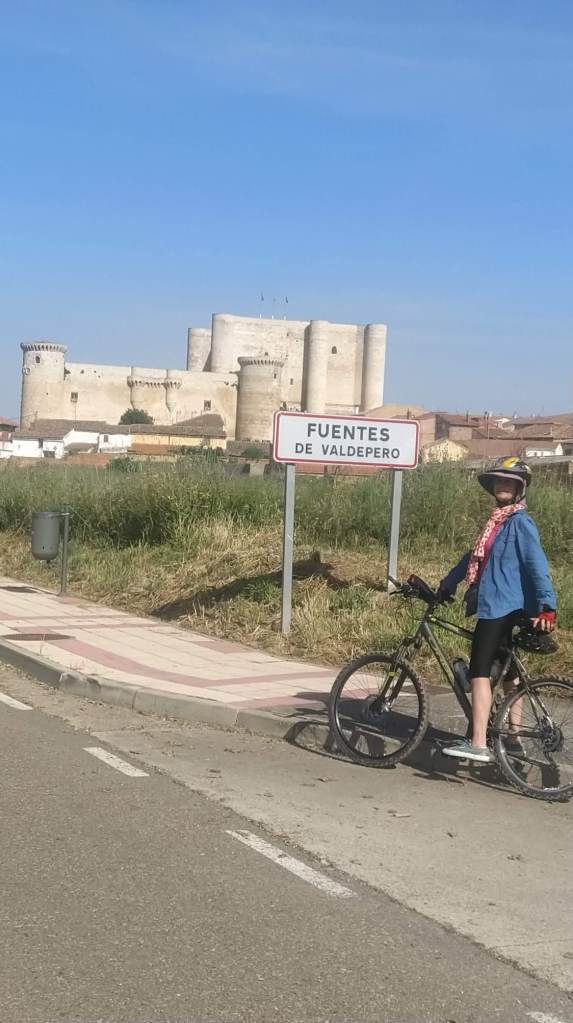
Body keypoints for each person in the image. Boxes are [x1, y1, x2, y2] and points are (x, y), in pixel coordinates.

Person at [437, 456, 556, 764]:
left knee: (478, 671)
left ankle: (477, 743)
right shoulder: (497, 523)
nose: (502, 485)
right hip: (498, 603)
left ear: (521, 488)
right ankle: (513, 740)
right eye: (498, 481)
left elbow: (537, 565)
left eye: (509, 481)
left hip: (502, 606)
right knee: (509, 674)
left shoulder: (520, 523)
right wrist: (448, 584)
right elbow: (474, 557)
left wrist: (547, 606)